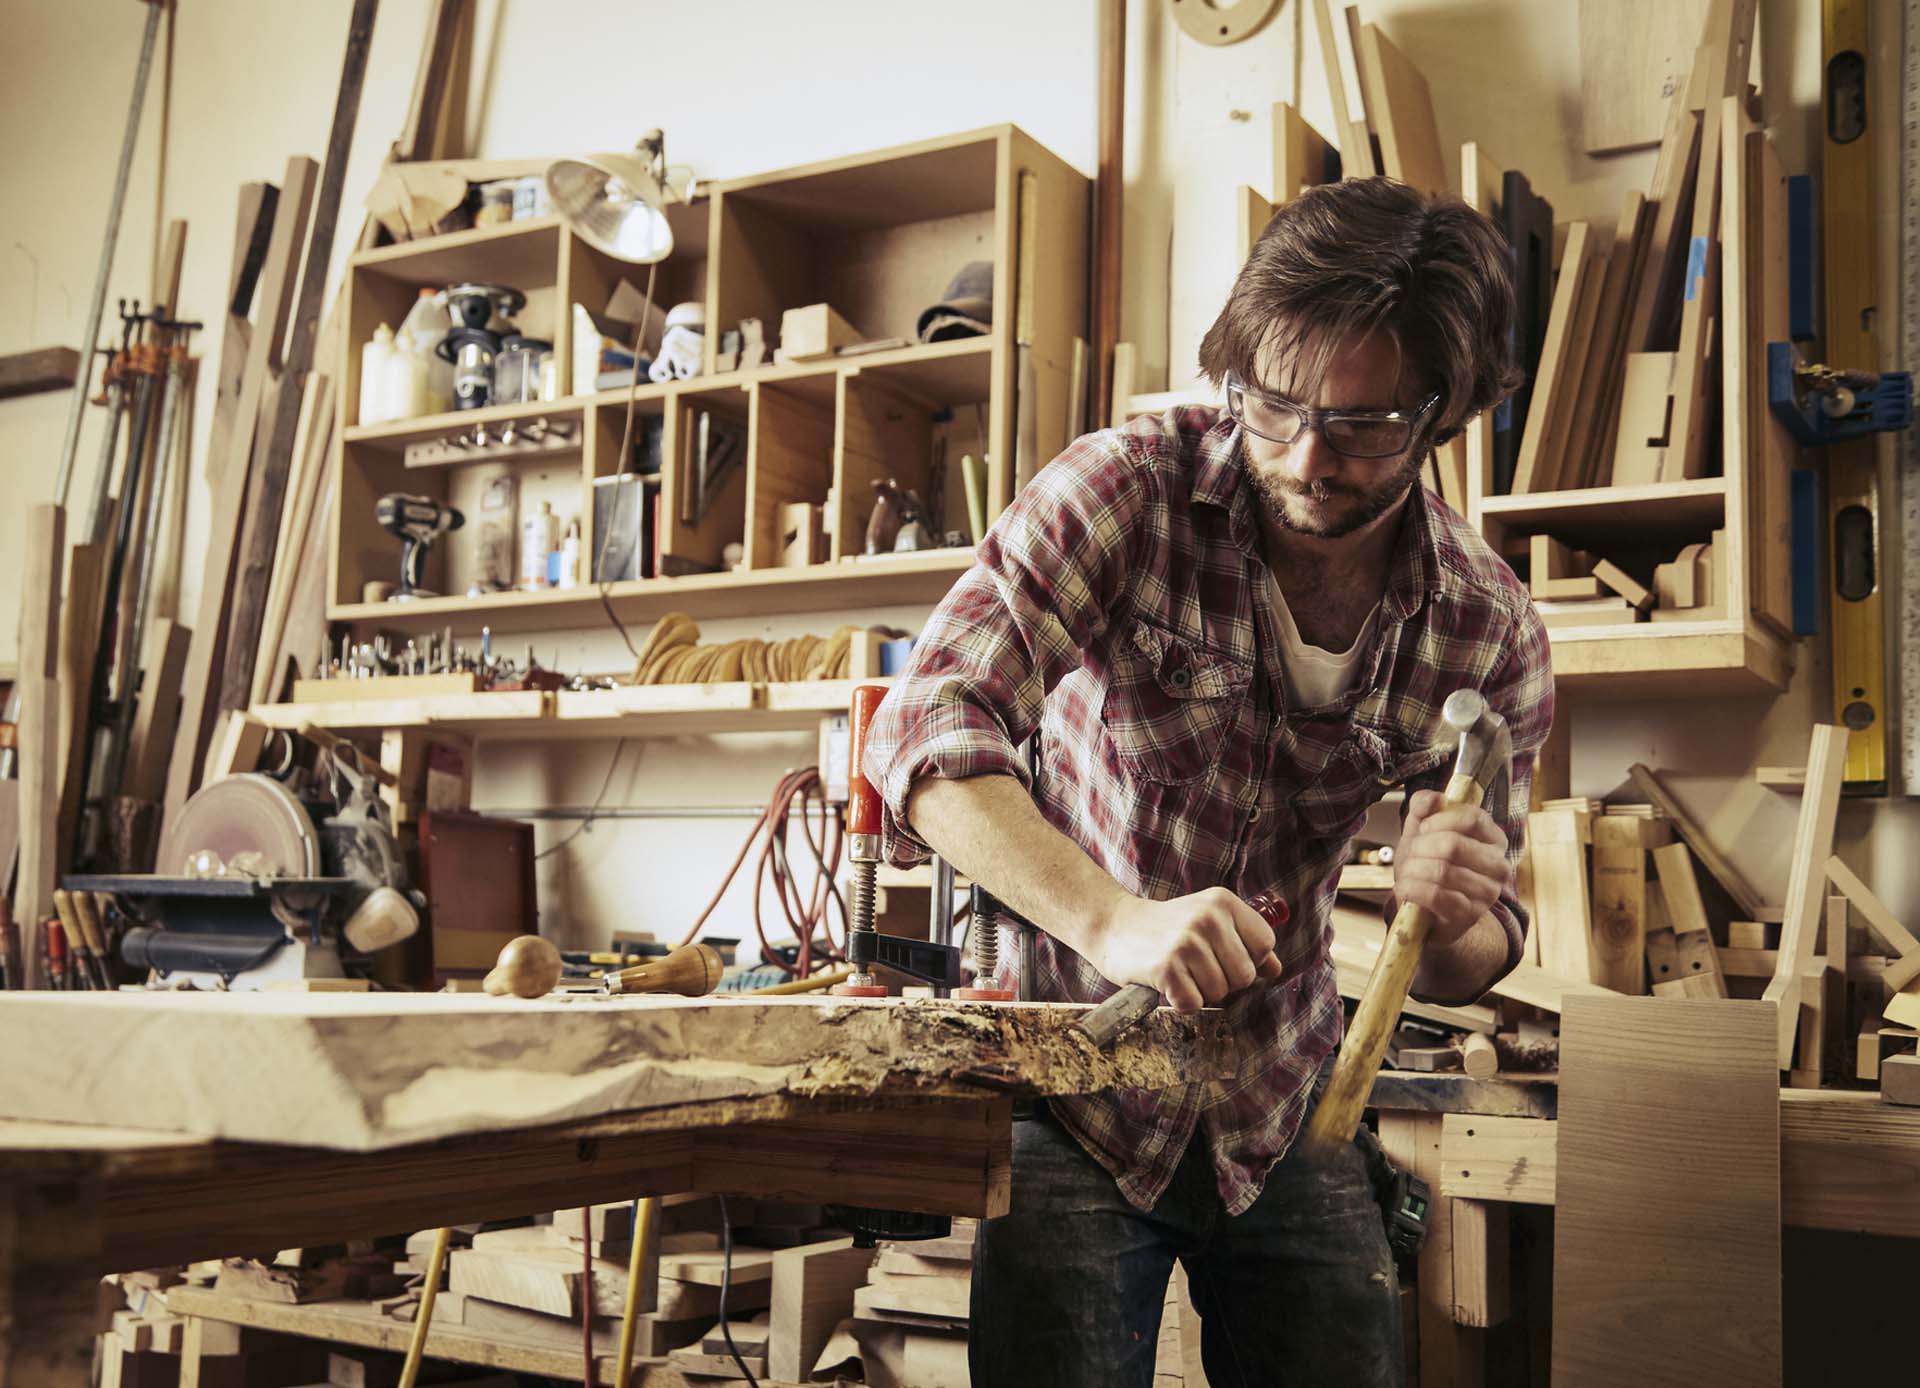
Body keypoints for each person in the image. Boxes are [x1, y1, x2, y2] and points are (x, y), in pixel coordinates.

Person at [862, 176, 1554, 1387]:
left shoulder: (1485, 628)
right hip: (1077, 1080)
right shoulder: (1126, 492)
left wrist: (1451, 914)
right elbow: (923, 726)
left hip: (1286, 1101)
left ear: (1440, 413)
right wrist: (1112, 918)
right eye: (1274, 404)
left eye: (1363, 425)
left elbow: (1483, 944)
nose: (1306, 456)